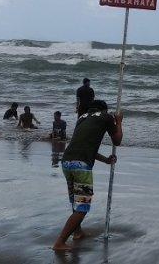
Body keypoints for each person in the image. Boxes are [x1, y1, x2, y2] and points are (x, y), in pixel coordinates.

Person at [52, 100, 123, 251]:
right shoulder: (106, 117)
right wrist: (119, 122)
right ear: (104, 109)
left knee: (75, 201)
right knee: (83, 206)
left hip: (66, 162)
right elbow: (117, 141)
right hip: (81, 167)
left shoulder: (82, 117)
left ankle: (77, 232)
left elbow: (84, 145)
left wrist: (105, 160)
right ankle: (60, 242)